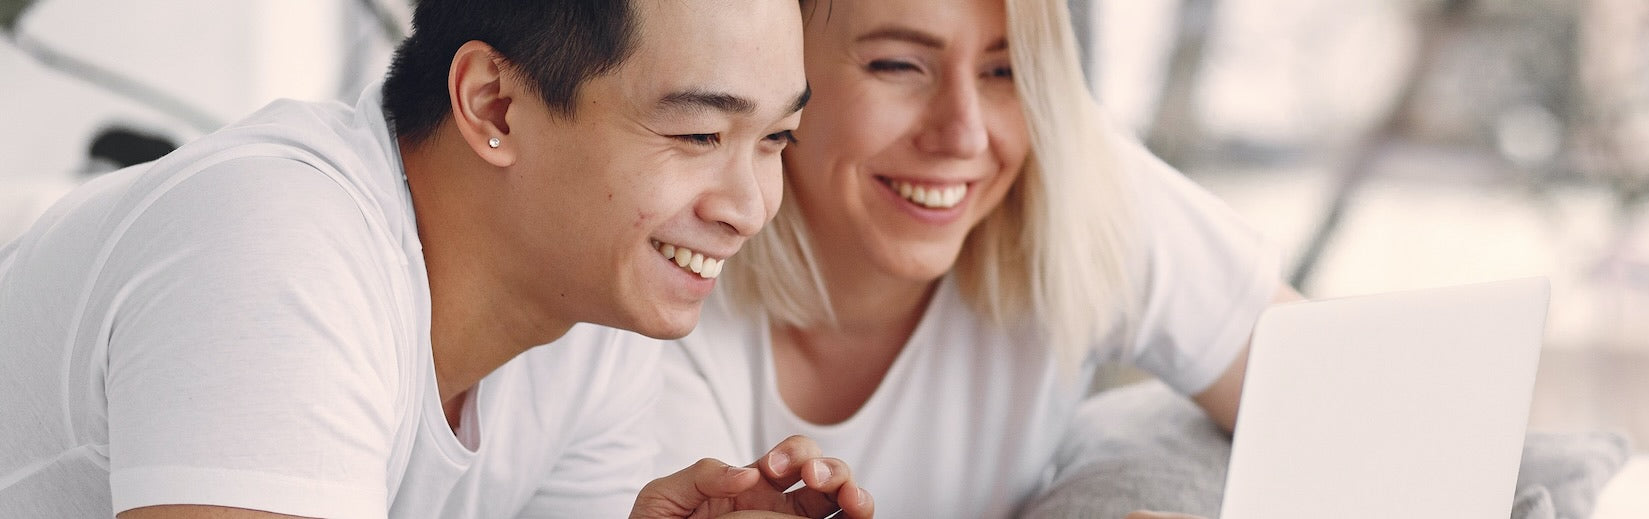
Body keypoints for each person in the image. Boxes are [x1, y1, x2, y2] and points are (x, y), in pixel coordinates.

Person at [0, 1, 873, 518]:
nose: (752, 206)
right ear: (493, 103)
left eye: (776, 138)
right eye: (699, 133)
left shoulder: (593, 323)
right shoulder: (279, 252)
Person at [646, 0, 1300, 517]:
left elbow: (1358, 404)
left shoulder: (1077, 184)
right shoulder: (656, 259)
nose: (964, 133)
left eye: (1004, 70)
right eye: (898, 65)